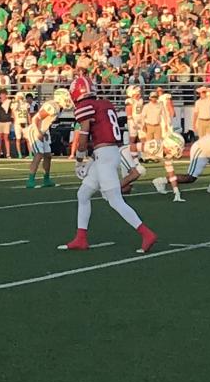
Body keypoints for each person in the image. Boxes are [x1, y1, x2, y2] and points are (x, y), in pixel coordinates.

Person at [59, 75, 157, 254]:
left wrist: (79, 160)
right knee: (83, 194)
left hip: (105, 156)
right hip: (107, 153)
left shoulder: (84, 107)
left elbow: (83, 139)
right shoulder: (104, 103)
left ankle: (146, 233)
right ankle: (81, 238)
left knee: (115, 200)